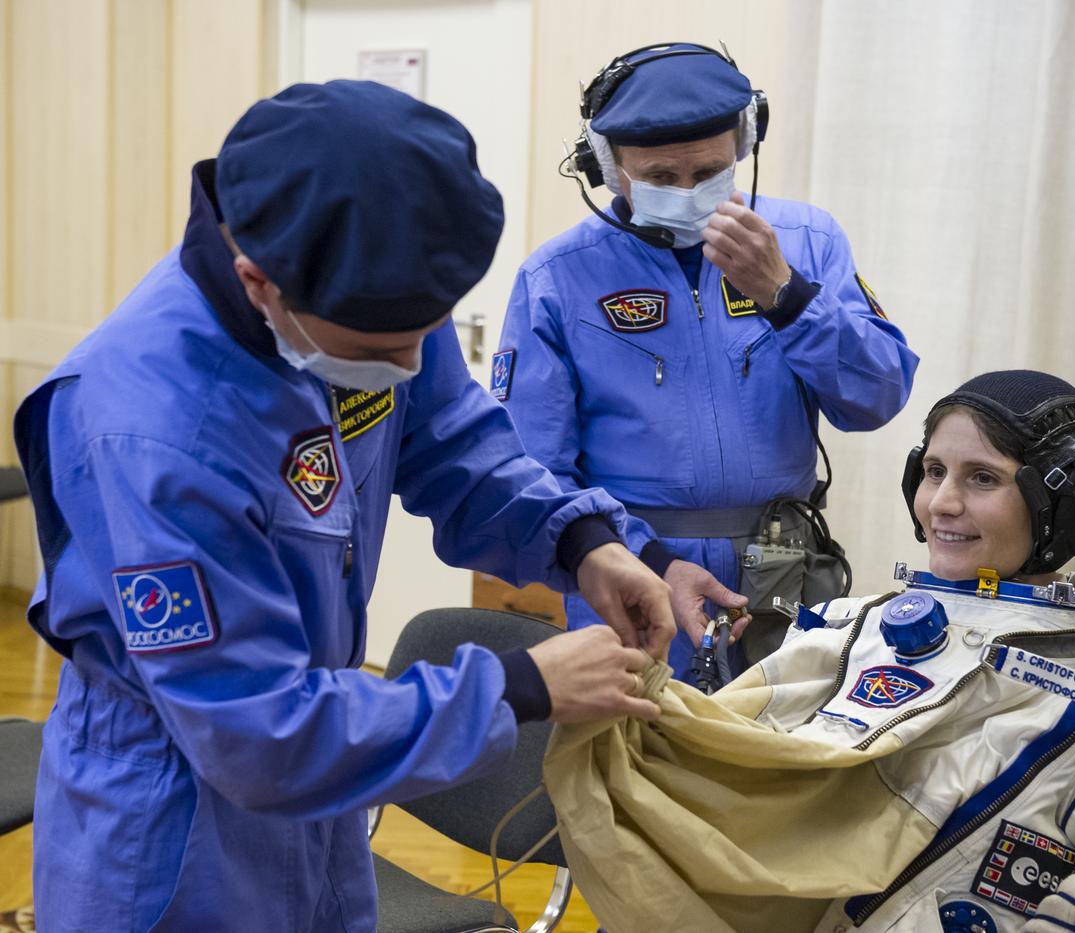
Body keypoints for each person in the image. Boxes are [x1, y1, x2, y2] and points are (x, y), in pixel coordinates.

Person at [12, 80, 679, 933]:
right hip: (177, 823)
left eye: (426, 332)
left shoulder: (368, 291)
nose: (409, 365)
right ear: (259, 283)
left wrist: (583, 541)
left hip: (324, 783)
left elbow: (450, 440)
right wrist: (519, 685)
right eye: (382, 350)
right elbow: (255, 733)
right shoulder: (154, 431)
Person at [541, 370, 1075, 933]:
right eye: (932, 471)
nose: (941, 503)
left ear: (1064, 502)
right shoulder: (849, 628)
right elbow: (729, 777)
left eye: (982, 478)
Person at [496, 42, 919, 680]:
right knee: (639, 739)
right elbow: (532, 470)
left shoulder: (805, 241)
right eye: (661, 178)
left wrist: (787, 297)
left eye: (709, 172)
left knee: (782, 738)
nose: (688, 193)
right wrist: (647, 560)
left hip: (782, 575)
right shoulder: (557, 278)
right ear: (607, 164)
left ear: (744, 144)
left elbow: (877, 397)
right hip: (634, 576)